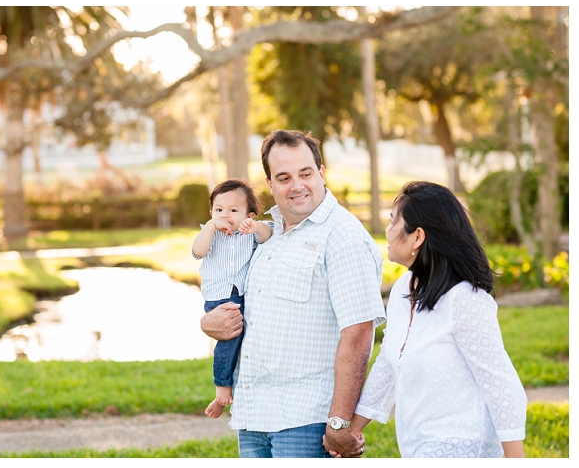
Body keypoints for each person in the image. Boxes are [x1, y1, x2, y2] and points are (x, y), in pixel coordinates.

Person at [200, 130, 386, 458]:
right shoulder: (261, 232)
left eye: (305, 173)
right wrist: (209, 323)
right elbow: (233, 295)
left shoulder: (342, 237)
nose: (296, 185)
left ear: (321, 173)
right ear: (270, 184)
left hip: (307, 420)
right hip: (254, 416)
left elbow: (358, 333)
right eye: (284, 177)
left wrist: (340, 423)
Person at [343, 181, 527, 458]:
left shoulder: (464, 299)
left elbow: (499, 381)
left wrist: (516, 459)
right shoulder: (403, 289)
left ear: (417, 237)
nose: (388, 232)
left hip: (462, 444)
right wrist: (351, 432)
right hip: (417, 445)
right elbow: (388, 364)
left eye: (393, 222)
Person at [192, 179, 274, 419]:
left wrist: (255, 227)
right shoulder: (210, 234)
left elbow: (268, 235)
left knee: (244, 343)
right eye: (219, 210)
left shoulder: (249, 234)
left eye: (233, 211)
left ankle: (241, 385)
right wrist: (210, 226)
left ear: (249, 214)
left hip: (241, 294)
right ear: (211, 213)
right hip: (219, 298)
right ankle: (221, 388)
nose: (225, 215)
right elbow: (198, 251)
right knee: (228, 339)